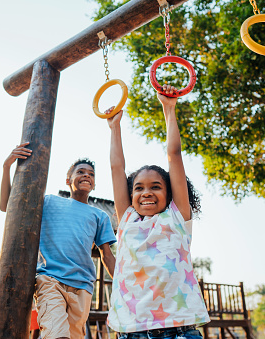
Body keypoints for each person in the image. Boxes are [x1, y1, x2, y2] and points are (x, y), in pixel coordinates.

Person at [105, 85, 210, 338]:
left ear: (170, 193)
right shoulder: (128, 218)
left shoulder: (176, 217)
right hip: (132, 330)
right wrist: (114, 127)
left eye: (156, 187)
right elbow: (116, 168)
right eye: (139, 188)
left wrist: (169, 108)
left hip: (178, 329)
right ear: (131, 196)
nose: (146, 192)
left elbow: (174, 155)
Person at [0, 144, 117, 339]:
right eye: (80, 172)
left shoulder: (100, 216)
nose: (86, 175)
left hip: (83, 287)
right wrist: (7, 167)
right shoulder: (49, 202)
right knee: (56, 335)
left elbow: (107, 255)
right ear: (68, 180)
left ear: (94, 184)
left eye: (91, 174)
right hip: (50, 280)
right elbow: (7, 206)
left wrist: (123, 284)